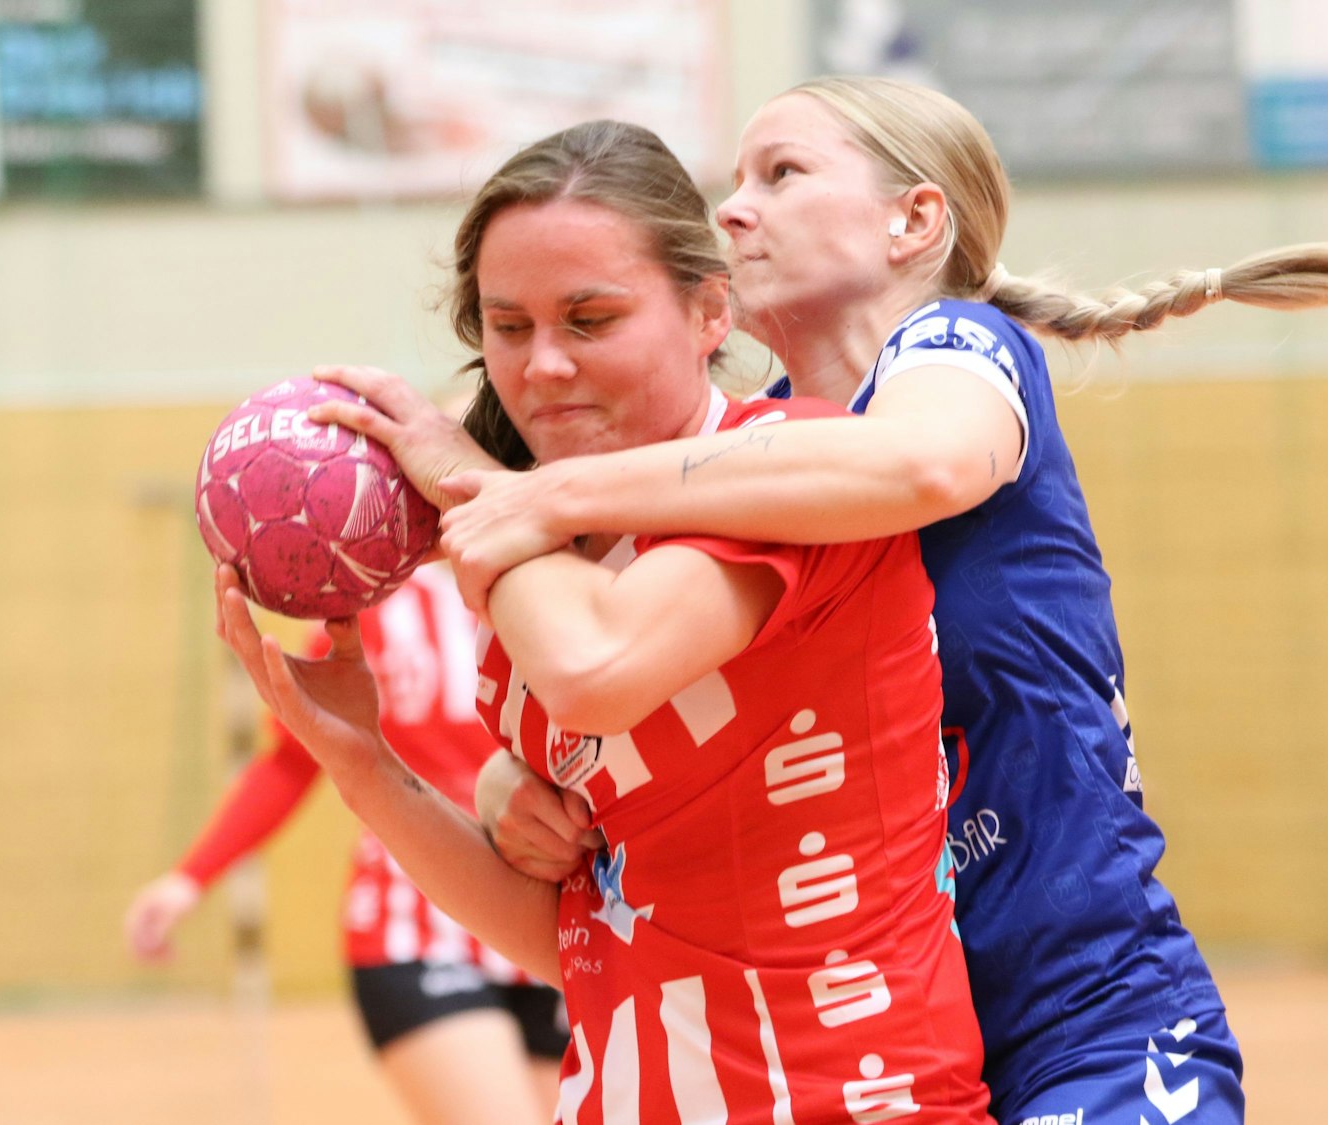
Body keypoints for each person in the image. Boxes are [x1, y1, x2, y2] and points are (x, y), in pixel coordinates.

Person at [315, 78, 1328, 1125]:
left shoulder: (951, 351)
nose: (734, 208)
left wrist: (540, 493)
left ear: (912, 220)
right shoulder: (754, 455)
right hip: (891, 1034)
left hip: (1084, 1009)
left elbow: (920, 464)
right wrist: (523, 774)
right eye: (734, 180)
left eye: (781, 173)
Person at [216, 119, 992, 1125]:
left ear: (709, 310)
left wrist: (474, 486)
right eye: (508, 327)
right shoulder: (536, 556)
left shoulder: (786, 463)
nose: (542, 365)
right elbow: (583, 941)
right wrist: (364, 763)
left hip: (856, 1096)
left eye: (590, 320)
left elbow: (597, 665)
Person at [124, 565, 567, 1125]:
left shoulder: (563, 587)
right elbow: (292, 759)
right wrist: (190, 878)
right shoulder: (373, 608)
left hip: (551, 929)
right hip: (417, 927)